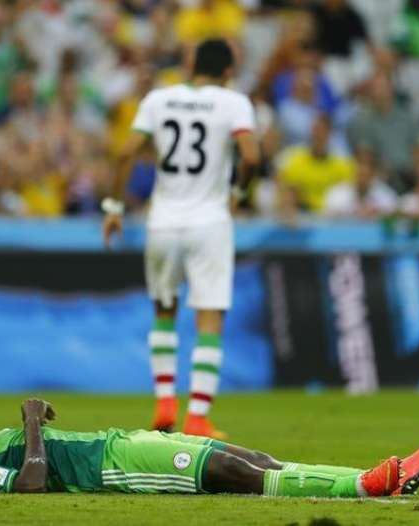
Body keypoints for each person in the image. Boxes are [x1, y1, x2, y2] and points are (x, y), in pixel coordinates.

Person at [101, 39, 261, 438]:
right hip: (209, 222)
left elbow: (125, 154)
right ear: (227, 71)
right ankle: (198, 416)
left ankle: (165, 401)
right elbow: (253, 157)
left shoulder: (158, 99)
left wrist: (115, 209)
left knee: (164, 311)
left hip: (163, 223)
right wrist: (239, 193)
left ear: (193, 66)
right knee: (209, 317)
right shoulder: (234, 103)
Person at [0, 397, 419, 498]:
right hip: (113, 467)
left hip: (118, 442)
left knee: (255, 460)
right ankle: (370, 484)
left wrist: (34, 425)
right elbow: (31, 484)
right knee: (231, 469)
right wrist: (29, 423)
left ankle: (365, 477)